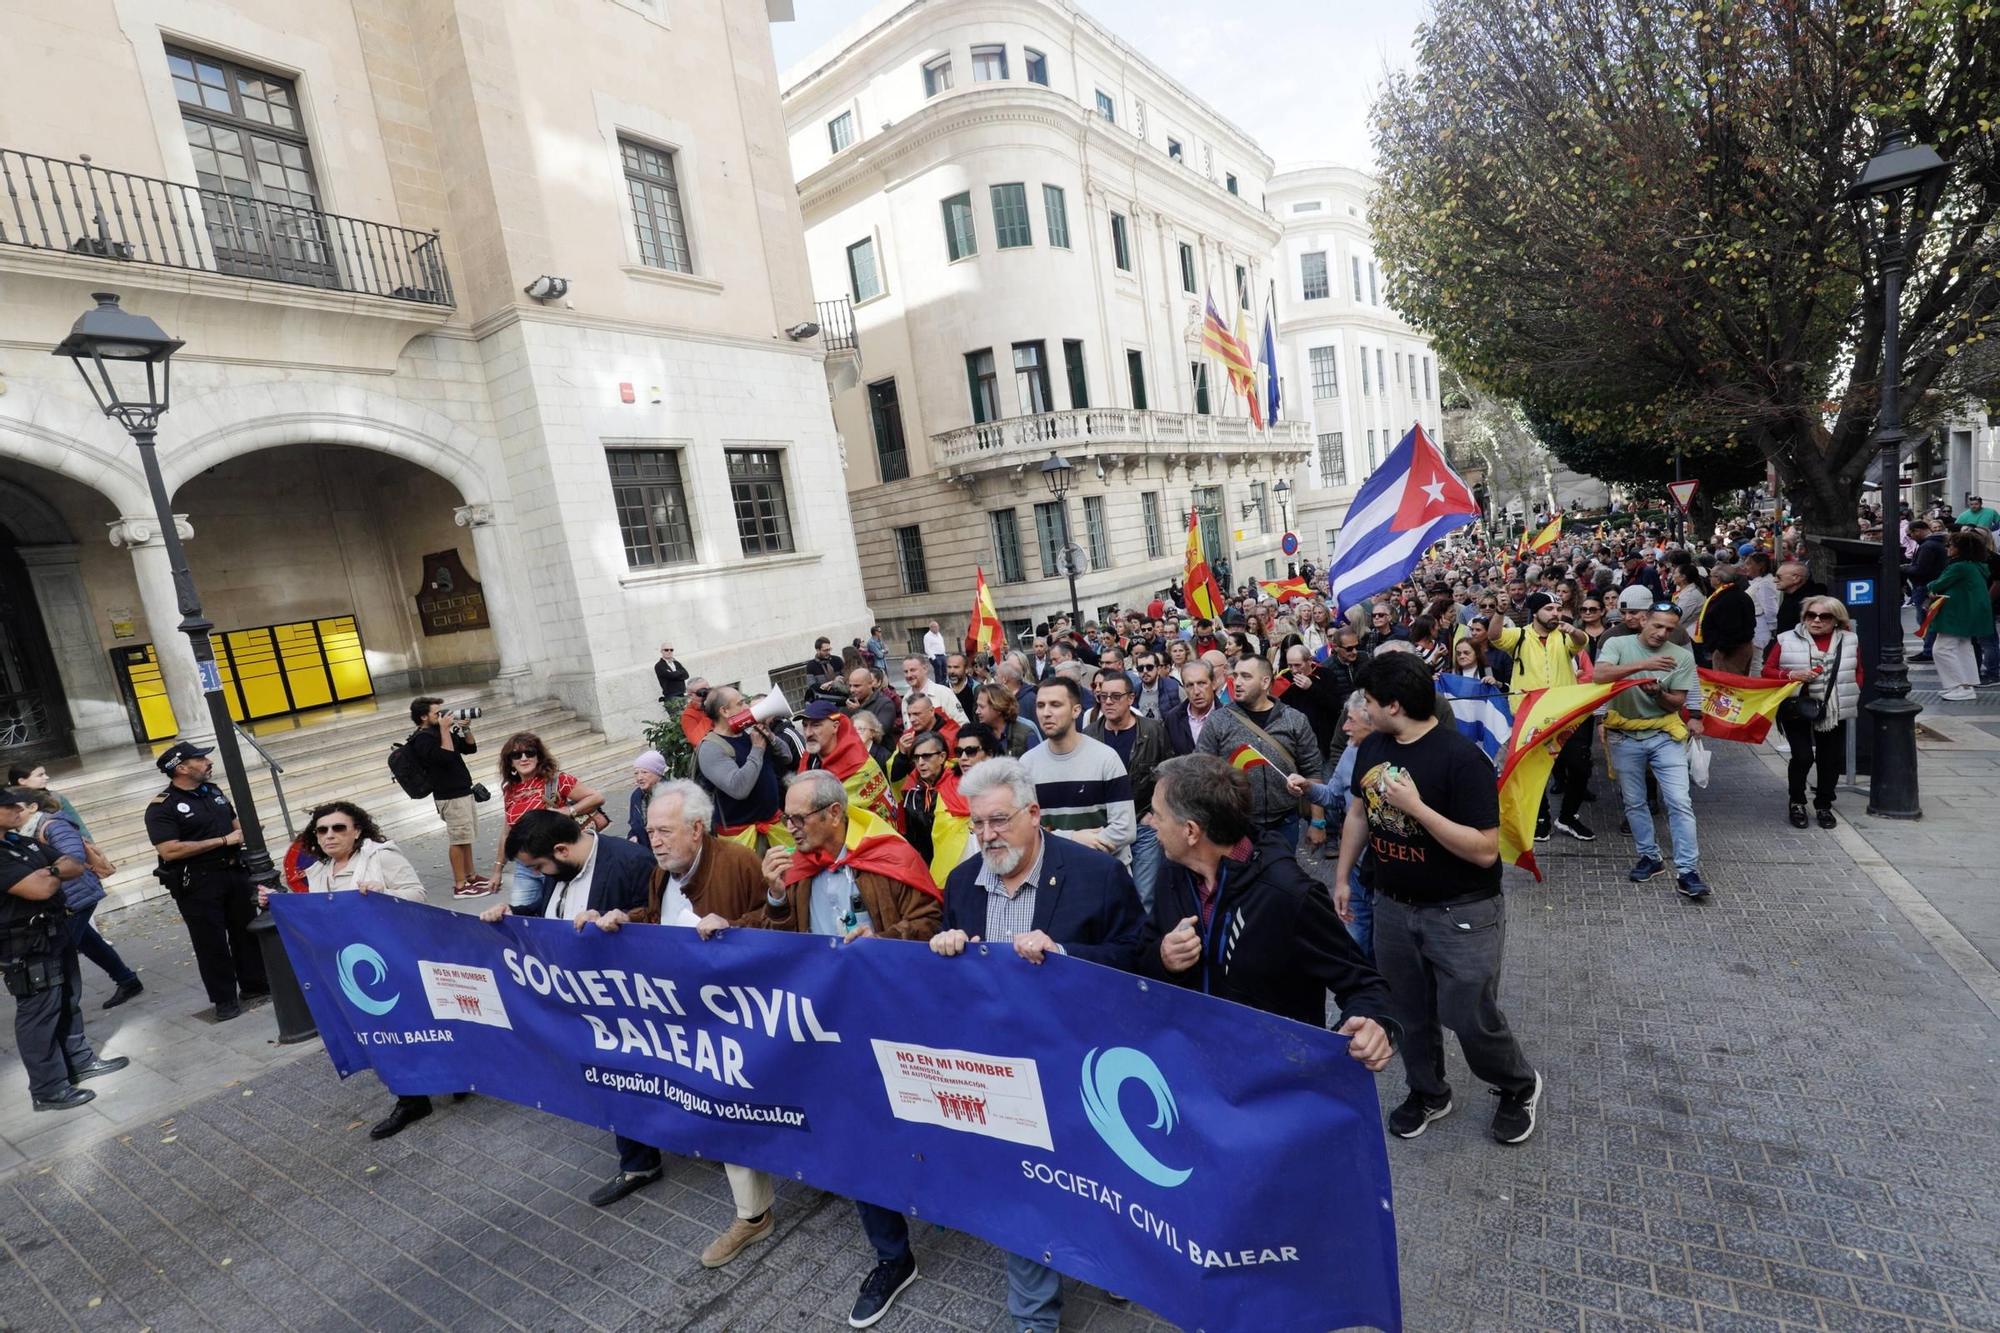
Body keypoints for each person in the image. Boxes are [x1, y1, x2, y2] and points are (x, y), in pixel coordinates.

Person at [930, 758, 1143, 1333]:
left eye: (998, 821)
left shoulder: (1094, 875)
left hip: (1080, 1062)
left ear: (1033, 814)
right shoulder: (961, 884)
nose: (986, 835)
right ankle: (1034, 1318)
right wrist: (947, 949)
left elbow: (1138, 957)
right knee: (1022, 1184)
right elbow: (952, 983)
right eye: (977, 825)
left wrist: (1066, 958)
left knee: (1095, 1178)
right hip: (1002, 1070)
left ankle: (1113, 1264)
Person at [1329, 654, 1544, 1145]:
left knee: (1468, 1014)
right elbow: (1360, 814)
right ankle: (1428, 1091)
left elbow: (1485, 850)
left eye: (1368, 700)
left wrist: (1417, 808)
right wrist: (1343, 877)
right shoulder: (1373, 746)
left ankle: (1517, 1085)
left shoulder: (1460, 759)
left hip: (1461, 912)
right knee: (1408, 1009)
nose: (1362, 708)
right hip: (1392, 905)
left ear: (1395, 705)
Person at [756, 772, 938, 1326]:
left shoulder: (888, 852)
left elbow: (930, 919)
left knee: (918, 1123)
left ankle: (945, 1199)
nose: (788, 831)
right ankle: (892, 1256)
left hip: (895, 1020)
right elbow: (774, 938)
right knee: (854, 1132)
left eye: (798, 819)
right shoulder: (797, 868)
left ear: (834, 814)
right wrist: (774, 895)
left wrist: (883, 942)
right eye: (787, 819)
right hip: (830, 1025)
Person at [482, 808, 724, 1205]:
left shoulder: (631, 862)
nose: (541, 875)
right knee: (613, 1078)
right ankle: (639, 1160)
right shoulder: (558, 871)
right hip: (586, 1003)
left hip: (638, 1001)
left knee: (658, 1073)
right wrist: (513, 916)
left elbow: (659, 924)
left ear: (561, 849)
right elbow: (550, 917)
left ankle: (695, 1138)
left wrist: (620, 920)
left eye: (541, 866)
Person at [588, 782, 770, 1266]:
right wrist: (622, 919)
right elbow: (660, 920)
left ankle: (767, 1209)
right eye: (650, 831)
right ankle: (752, 1208)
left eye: (665, 830)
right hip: (693, 1015)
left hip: (741, 1014)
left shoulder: (737, 862)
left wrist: (736, 930)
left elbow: (782, 925)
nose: (655, 840)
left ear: (696, 828)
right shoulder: (663, 873)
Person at [1141, 754, 1396, 1056]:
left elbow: (1365, 984)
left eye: (1157, 814)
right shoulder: (1173, 873)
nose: (1149, 822)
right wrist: (1163, 958)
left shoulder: (1288, 895)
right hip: (1193, 1070)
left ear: (1192, 831)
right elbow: (1143, 950)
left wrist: (1372, 1022)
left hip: (1268, 1084)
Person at [275, 801, 444, 1138]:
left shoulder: (381, 856)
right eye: (322, 830)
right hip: (352, 969)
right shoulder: (320, 871)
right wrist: (276, 902)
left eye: (339, 828)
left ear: (357, 831)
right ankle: (411, 1099)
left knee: (418, 1022)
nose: (329, 835)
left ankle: (452, 1074)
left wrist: (385, 894)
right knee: (381, 1029)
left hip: (395, 958)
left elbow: (418, 895)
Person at [2, 788, 128, 1112]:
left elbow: (74, 862)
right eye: (8, 806)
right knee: (39, 1014)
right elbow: (39, 887)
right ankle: (48, 1088)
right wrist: (53, 872)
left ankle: (79, 1062)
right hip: (25, 945)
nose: (19, 809)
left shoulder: (19, 843)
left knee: (68, 999)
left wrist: (52, 870)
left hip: (53, 932)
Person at [144, 741, 268, 1021]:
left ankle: (255, 985)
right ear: (182, 768)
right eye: (200, 759)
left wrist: (248, 831)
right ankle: (224, 999)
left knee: (245, 931)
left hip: (234, 872)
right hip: (198, 881)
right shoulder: (162, 807)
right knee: (211, 943)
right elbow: (169, 849)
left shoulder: (213, 791)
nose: (208, 762)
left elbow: (237, 826)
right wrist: (223, 841)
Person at [1595, 604, 1712, 898]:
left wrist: (1658, 692)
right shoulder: (1617, 643)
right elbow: (1600, 675)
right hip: (1624, 736)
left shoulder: (1682, 656)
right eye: (1657, 626)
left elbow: (1677, 704)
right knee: (1634, 803)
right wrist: (1640, 670)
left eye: (1669, 629)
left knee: (1679, 802)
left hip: (1665, 734)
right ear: (1643, 620)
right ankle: (1650, 857)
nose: (1662, 634)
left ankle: (1688, 871)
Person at [11, 774, 140, 1007]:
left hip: (77, 897)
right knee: (87, 942)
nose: (12, 812)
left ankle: (65, 1005)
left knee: (61, 952)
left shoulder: (52, 825)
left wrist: (42, 875)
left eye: (15, 807)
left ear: (32, 807)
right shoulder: (22, 832)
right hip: (63, 899)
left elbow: (74, 858)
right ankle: (127, 980)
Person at [1196, 657, 1324, 847]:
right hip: (1236, 824)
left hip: (1285, 822)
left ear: (1265, 682)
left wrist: (1318, 822)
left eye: (1246, 676)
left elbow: (1313, 770)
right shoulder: (1217, 721)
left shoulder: (1294, 720)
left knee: (1282, 875)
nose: (1237, 682)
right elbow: (1202, 772)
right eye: (1236, 676)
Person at [1763, 597, 1861, 828]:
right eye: (1811, 615)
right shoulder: (1785, 639)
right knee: (1803, 756)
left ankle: (1824, 804)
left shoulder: (1850, 640)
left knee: (1830, 760)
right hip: (1796, 707)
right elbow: (1767, 670)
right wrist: (1791, 676)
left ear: (1836, 620)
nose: (1816, 620)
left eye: (1824, 616)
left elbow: (1858, 671)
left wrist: (1850, 693)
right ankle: (1797, 801)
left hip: (1833, 708)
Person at [1019, 676, 1136, 865]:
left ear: (1076, 710)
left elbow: (1125, 829)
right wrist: (1073, 838)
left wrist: (1059, 840)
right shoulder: (1027, 764)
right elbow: (1025, 830)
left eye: (1055, 705)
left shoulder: (1106, 758)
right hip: (1053, 872)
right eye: (1040, 706)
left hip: (1104, 870)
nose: (1046, 713)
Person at [491, 733, 604, 916]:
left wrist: (568, 811)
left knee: (560, 914)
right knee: (519, 916)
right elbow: (507, 832)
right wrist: (497, 870)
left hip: (554, 860)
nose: (524, 758)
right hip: (525, 865)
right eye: (516, 755)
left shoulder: (557, 781)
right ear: (510, 762)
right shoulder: (510, 790)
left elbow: (597, 797)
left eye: (530, 752)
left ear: (539, 756)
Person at [1083, 671, 1169, 910]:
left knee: (1144, 895)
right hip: (1104, 826)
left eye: (1115, 696)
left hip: (1143, 824)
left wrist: (1156, 813)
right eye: (1103, 696)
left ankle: (1143, 944)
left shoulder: (1153, 731)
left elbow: (1166, 774)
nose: (1108, 702)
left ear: (1131, 698)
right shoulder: (1090, 735)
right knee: (1106, 894)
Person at [404, 697, 487, 897]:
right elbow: (446, 757)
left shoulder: (439, 732)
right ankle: (460, 885)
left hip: (462, 791)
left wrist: (465, 728)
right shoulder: (422, 739)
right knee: (458, 839)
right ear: (423, 717)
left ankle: (471, 875)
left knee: (465, 837)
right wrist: (443, 730)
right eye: (437, 713)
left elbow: (469, 748)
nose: (442, 716)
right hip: (449, 795)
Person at [694, 687, 788, 846]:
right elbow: (739, 788)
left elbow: (786, 757)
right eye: (741, 703)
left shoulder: (749, 732)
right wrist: (757, 749)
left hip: (775, 826)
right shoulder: (711, 748)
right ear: (724, 711)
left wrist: (770, 736)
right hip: (741, 837)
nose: (747, 708)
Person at [797, 699, 898, 826]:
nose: (808, 733)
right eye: (805, 725)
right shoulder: (809, 761)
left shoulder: (857, 762)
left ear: (835, 726)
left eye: (816, 725)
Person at [1926, 530, 1995, 701]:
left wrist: (1931, 587)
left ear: (1960, 549)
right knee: (1964, 647)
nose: (1947, 548)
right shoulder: (1975, 566)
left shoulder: (1959, 566)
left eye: (1951, 545)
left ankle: (1956, 685)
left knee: (1942, 649)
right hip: (1970, 612)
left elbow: (1937, 584)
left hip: (1956, 613)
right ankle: (1967, 685)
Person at [974, 683, 1037, 758]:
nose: (977, 711)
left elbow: (1037, 765)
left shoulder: (1026, 734)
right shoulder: (980, 735)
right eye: (977, 706)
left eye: (982, 707)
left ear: (998, 707)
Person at [900, 654, 967, 724]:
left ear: (925, 669)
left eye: (913, 670)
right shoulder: (905, 699)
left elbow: (963, 723)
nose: (909, 675)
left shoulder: (943, 693)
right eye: (906, 672)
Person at [1772, 561, 1829, 638]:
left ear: (1796, 578)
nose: (1774, 580)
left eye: (1779, 577)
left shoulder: (1811, 603)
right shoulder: (1790, 595)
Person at [846, 666, 902, 737]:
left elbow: (880, 731)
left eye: (857, 686)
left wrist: (858, 712)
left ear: (870, 684)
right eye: (850, 686)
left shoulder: (885, 704)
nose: (852, 690)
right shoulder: (849, 703)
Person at [626, 749, 667, 843]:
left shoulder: (670, 794)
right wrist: (632, 837)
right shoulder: (636, 796)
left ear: (657, 774)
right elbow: (635, 825)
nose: (639, 778)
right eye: (636, 773)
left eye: (644, 772)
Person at [1132, 651, 1181, 719]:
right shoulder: (1133, 693)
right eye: (1140, 668)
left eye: (1149, 667)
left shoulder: (1175, 688)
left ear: (1158, 669)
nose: (1145, 671)